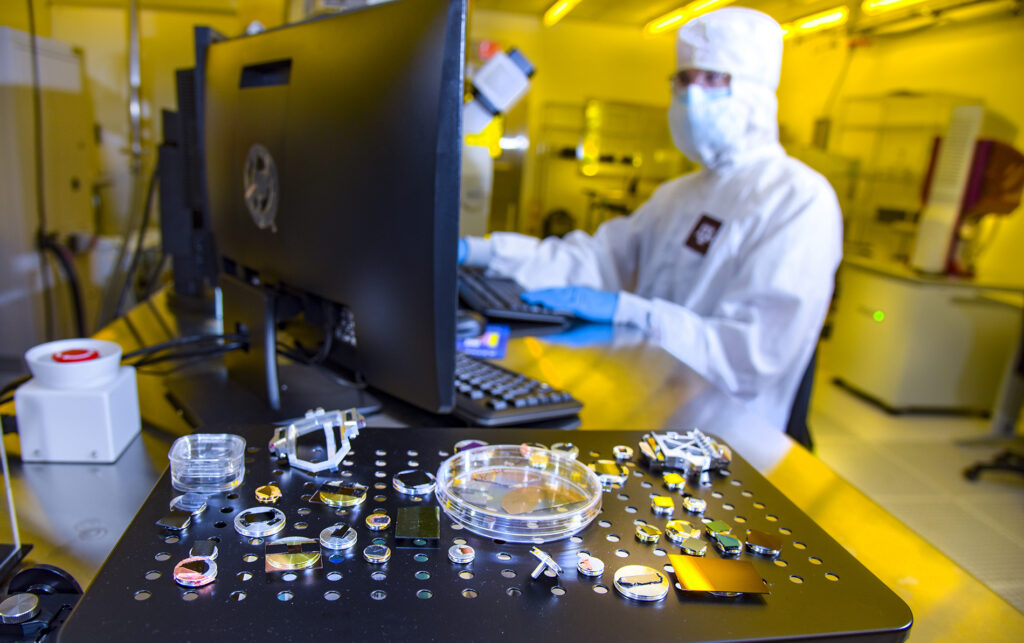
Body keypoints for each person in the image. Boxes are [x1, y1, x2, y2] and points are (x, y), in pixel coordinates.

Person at [459, 7, 842, 432]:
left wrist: (637, 313)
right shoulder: (679, 195)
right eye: (684, 79)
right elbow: (594, 259)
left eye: (714, 79)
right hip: (651, 406)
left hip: (727, 437)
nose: (694, 95)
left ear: (756, 92)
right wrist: (481, 250)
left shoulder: (798, 200)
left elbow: (750, 357)